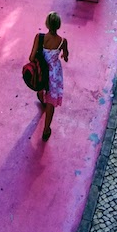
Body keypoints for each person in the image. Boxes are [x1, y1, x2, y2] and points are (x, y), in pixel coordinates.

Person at [29, 12, 69, 143]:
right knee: (51, 101)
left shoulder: (39, 37)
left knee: (41, 85)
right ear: (58, 25)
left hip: (42, 70)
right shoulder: (62, 41)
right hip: (54, 73)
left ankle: (41, 97)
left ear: (47, 23)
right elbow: (66, 55)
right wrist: (63, 56)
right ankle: (46, 129)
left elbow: (31, 57)